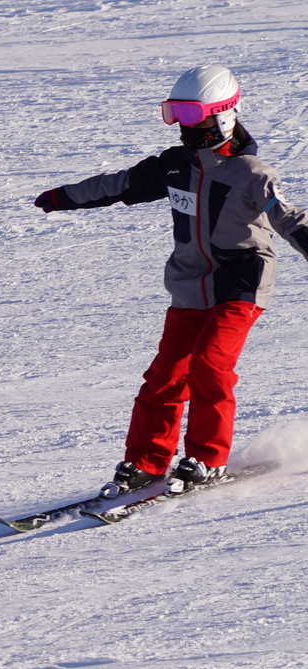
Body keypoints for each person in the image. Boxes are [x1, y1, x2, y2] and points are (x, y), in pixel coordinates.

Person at [33, 65, 308, 496]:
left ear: (222, 116)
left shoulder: (253, 173)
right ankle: (145, 463)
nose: (183, 124)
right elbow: (119, 184)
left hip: (240, 282)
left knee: (210, 365)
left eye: (192, 113)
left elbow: (288, 218)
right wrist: (64, 196)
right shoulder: (175, 166)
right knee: (164, 376)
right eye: (175, 112)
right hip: (189, 283)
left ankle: (207, 458)